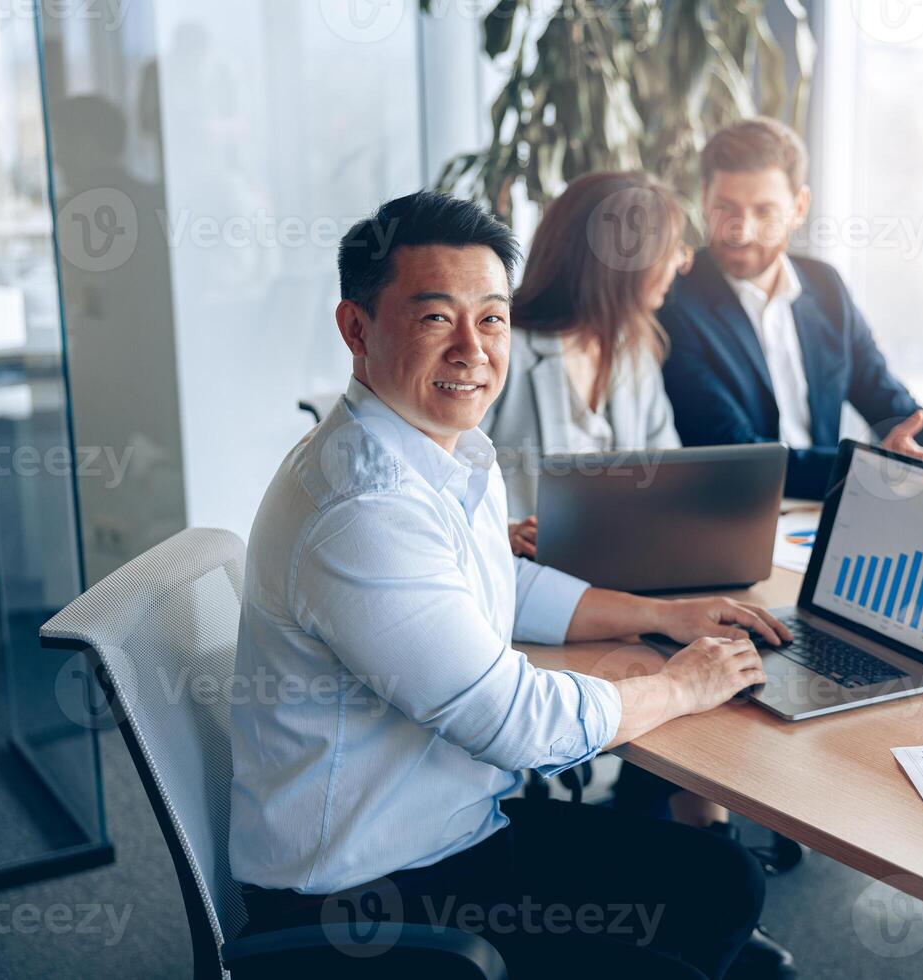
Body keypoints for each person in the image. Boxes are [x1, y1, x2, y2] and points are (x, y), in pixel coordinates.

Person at [229, 190, 800, 979]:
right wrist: (680, 686)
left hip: (451, 831)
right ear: (357, 329)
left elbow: (507, 587)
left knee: (721, 881)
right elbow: (519, 725)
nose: (473, 348)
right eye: (435, 318)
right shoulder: (364, 510)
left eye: (491, 317)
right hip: (365, 895)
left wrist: (667, 614)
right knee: (685, 941)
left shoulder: (442, 448)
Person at [659, 117, 923, 500]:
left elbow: (885, 398)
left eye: (764, 211)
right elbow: (737, 456)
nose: (742, 230)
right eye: (726, 208)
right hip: (739, 516)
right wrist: (874, 470)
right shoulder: (676, 301)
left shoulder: (824, 286)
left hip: (827, 513)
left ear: (799, 206)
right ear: (703, 197)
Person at [483, 171, 688, 552]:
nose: (679, 263)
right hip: (523, 576)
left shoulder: (635, 352)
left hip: (623, 564)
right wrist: (506, 531)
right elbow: (445, 478)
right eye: (671, 249)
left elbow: (669, 477)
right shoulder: (503, 349)